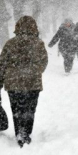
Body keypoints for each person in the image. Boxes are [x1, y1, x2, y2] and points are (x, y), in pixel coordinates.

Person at [0, 16, 48, 148]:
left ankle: (20, 134)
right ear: (34, 27)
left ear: (17, 27)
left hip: (13, 83)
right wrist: (34, 71)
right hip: (33, 83)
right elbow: (44, 62)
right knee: (30, 110)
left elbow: (2, 64)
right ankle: (26, 133)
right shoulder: (38, 43)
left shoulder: (10, 43)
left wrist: (1, 80)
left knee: (17, 110)